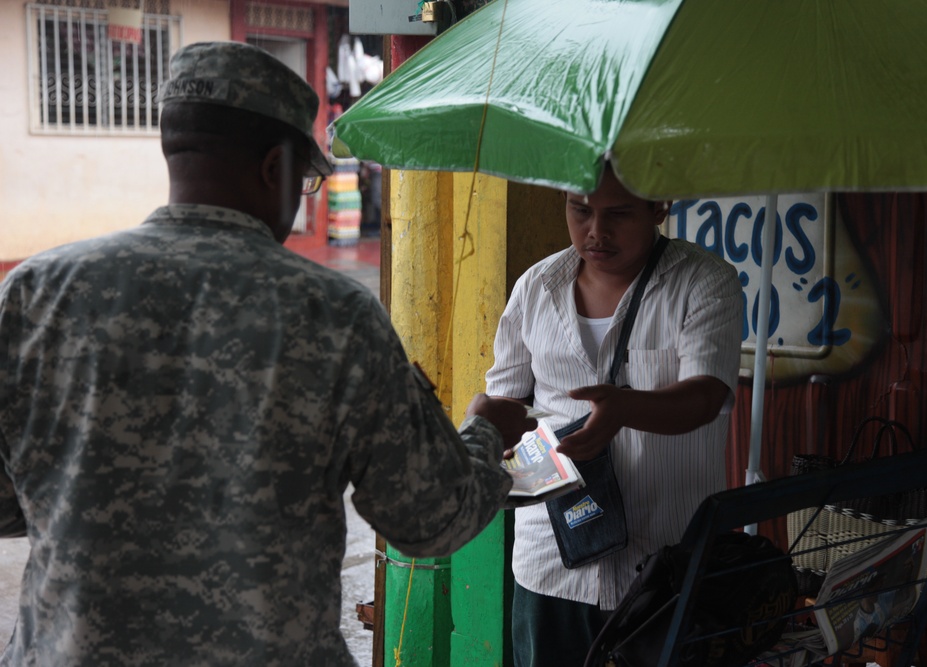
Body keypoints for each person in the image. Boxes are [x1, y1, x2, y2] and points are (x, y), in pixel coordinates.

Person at [0, 41, 533, 666]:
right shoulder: (333, 315)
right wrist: (485, 436)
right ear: (275, 167)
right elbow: (429, 518)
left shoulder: (37, 294)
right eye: (307, 180)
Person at [486, 167, 742, 666]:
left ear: (659, 207)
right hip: (550, 560)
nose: (595, 232)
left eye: (618, 214)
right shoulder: (535, 288)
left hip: (663, 563)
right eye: (580, 210)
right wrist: (486, 417)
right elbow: (509, 401)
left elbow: (707, 395)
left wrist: (625, 409)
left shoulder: (706, 283)